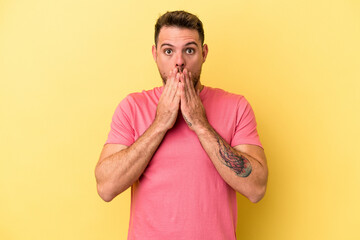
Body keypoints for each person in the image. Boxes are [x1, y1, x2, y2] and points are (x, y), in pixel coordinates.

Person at [95, 10, 268, 240]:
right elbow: (106, 188)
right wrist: (160, 124)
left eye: (189, 50)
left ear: (204, 53)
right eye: (168, 51)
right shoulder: (132, 107)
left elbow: (256, 189)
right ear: (155, 54)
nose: (179, 61)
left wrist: (200, 123)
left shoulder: (236, 106)